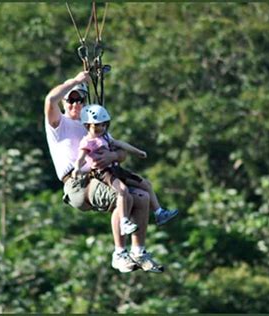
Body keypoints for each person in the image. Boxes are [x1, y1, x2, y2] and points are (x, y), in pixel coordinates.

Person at [44, 71, 174, 273]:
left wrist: (113, 157)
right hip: (79, 183)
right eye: (71, 99)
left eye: (80, 100)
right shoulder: (58, 124)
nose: (76, 104)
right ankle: (119, 253)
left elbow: (118, 150)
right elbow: (50, 98)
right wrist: (76, 81)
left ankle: (138, 251)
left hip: (101, 175)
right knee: (122, 196)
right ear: (64, 101)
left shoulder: (91, 124)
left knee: (142, 197)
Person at [73, 104, 149, 237]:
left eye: (103, 125)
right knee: (123, 191)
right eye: (96, 125)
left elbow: (121, 144)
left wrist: (137, 152)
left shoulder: (105, 137)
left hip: (114, 168)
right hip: (103, 172)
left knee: (143, 184)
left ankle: (159, 211)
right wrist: (77, 169)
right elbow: (81, 157)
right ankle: (124, 222)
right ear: (87, 126)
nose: (100, 128)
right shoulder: (87, 142)